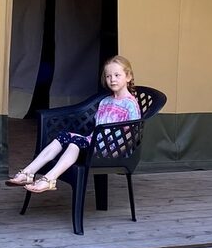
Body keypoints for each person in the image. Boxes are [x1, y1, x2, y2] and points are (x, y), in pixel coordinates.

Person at [7, 55, 141, 193]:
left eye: (117, 75)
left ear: (128, 77)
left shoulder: (130, 104)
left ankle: (49, 179)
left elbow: (133, 133)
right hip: (95, 142)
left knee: (75, 143)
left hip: (112, 148)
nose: (112, 79)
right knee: (63, 137)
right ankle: (28, 172)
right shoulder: (105, 101)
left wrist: (118, 151)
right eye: (108, 76)